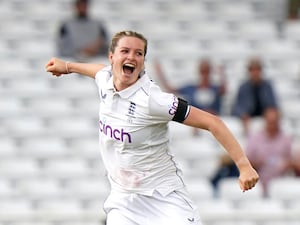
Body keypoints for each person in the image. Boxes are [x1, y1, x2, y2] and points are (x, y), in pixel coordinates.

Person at [45, 30, 259, 225]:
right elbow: (98, 71)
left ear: (143, 63)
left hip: (164, 199)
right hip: (124, 201)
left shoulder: (153, 100)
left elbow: (214, 122)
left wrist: (244, 165)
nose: (131, 57)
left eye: (138, 53)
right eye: (125, 51)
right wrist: (68, 67)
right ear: (112, 58)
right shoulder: (106, 79)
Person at [245, 107, 292, 197]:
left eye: (274, 122)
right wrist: (257, 163)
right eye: (270, 122)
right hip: (258, 182)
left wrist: (287, 164)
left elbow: (291, 162)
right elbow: (246, 162)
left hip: (280, 184)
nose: (272, 125)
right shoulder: (255, 138)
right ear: (265, 121)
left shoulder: (286, 139)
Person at [154, 58, 226, 115]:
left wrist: (222, 75)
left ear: (210, 72)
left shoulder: (216, 89)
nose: (205, 75)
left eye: (207, 71)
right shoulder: (191, 88)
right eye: (203, 71)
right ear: (199, 72)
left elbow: (224, 91)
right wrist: (160, 74)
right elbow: (171, 89)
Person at [232, 57, 279, 135]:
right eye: (253, 70)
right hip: (248, 117)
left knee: (272, 115)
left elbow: (273, 104)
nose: (255, 72)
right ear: (249, 71)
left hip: (265, 116)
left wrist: (270, 113)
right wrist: (243, 114)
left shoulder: (267, 86)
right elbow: (237, 107)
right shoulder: (243, 87)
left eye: (257, 69)